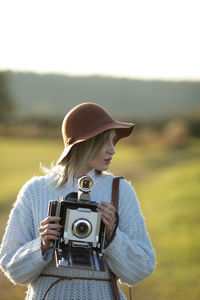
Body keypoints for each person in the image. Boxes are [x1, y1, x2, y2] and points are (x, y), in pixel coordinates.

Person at [0, 102, 156, 300]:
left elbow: (142, 268)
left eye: (113, 142)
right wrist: (42, 245)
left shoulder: (121, 191)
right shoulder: (35, 190)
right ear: (86, 142)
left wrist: (111, 237)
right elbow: (10, 267)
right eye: (105, 142)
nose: (113, 150)